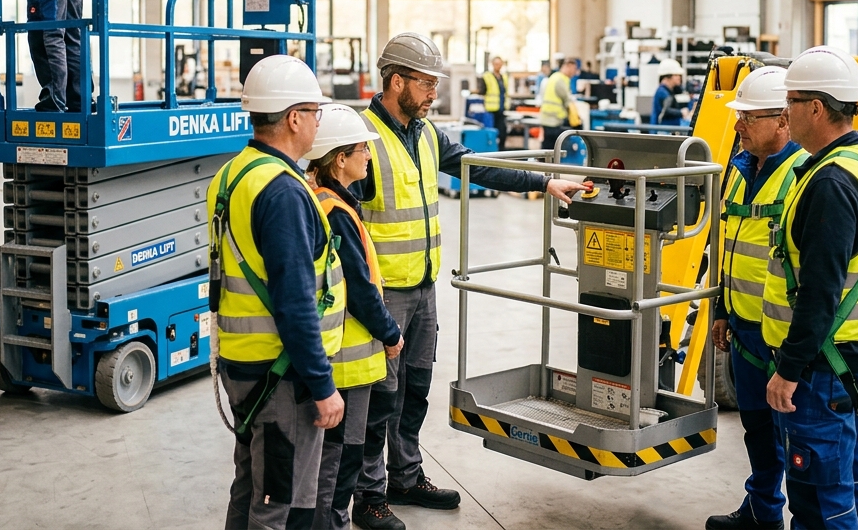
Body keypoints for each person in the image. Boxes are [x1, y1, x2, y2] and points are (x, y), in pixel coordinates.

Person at [350, 33, 586, 530]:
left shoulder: (426, 134)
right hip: (382, 296)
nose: (435, 92)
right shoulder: (362, 138)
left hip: (422, 287)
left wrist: (544, 182)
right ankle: (368, 497)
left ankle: (406, 477)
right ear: (397, 81)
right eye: (427, 83)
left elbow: (483, 170)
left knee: (415, 391)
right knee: (378, 398)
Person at [762, 46, 858, 530]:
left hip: (822, 368)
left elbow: (820, 293)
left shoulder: (831, 183)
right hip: (853, 361)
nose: (785, 113)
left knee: (821, 498)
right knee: (856, 478)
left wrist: (789, 370)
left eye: (790, 103)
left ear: (816, 108)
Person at [209, 54, 347, 530]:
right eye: (315, 112)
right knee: (281, 505)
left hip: (245, 365)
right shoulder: (284, 191)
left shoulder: (234, 173)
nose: (317, 122)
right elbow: (295, 302)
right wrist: (322, 384)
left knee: (252, 486)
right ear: (293, 118)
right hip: (281, 374)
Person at [706, 66, 806, 530]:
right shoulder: (740, 171)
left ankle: (799, 517)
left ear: (784, 120)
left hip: (784, 336)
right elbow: (728, 243)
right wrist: (722, 310)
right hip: (745, 329)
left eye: (748, 117)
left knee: (797, 440)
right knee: (757, 431)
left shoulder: (803, 177)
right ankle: (763, 512)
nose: (738, 125)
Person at [305, 104, 405, 530]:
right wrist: (389, 331)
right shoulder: (338, 213)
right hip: (349, 357)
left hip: (339, 354)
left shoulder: (322, 198)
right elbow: (360, 289)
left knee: (335, 455)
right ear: (340, 159)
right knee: (342, 456)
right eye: (362, 149)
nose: (369, 155)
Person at [538, 58, 578, 150]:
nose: (574, 72)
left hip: (548, 118)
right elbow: (567, 100)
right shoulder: (560, 80)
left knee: (547, 147)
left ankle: (544, 163)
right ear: (568, 67)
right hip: (553, 119)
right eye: (573, 69)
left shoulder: (555, 77)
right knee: (552, 149)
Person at [478, 56, 509, 150]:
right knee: (491, 134)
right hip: (490, 111)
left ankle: (501, 153)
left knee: (503, 133)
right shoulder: (487, 77)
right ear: (492, 64)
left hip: (501, 109)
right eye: (496, 64)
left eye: (500, 64)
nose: (498, 66)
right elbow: (482, 91)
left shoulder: (504, 77)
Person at [651, 58, 688, 127]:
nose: (679, 78)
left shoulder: (667, 91)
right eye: (676, 75)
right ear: (667, 76)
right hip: (662, 132)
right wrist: (681, 112)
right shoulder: (663, 92)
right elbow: (666, 110)